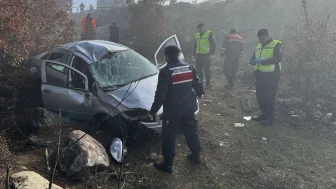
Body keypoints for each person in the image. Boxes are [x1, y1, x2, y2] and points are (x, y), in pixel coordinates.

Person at [148, 46, 204, 174]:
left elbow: (160, 95)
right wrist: (200, 93)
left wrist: (152, 111)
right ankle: (196, 156)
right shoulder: (189, 67)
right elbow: (197, 82)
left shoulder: (166, 71)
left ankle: (167, 165)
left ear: (167, 56)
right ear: (178, 55)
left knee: (169, 137)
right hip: (189, 108)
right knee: (191, 131)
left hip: (172, 111)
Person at [250, 29, 283, 125]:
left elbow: (278, 58)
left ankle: (269, 118)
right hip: (260, 75)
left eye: (262, 38)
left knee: (269, 97)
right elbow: (253, 57)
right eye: (259, 39)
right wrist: (251, 60)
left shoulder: (277, 44)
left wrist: (262, 62)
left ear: (268, 36)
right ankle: (263, 114)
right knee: (260, 97)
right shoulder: (258, 46)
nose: (260, 40)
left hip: (271, 76)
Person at [193, 23, 216, 89]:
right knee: (199, 70)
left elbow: (213, 44)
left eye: (201, 28)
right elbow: (195, 45)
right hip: (199, 55)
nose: (200, 30)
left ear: (204, 28)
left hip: (207, 55)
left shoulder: (209, 33)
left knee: (207, 70)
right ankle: (200, 84)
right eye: (199, 29)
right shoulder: (196, 35)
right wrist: (193, 54)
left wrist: (212, 54)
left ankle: (208, 84)